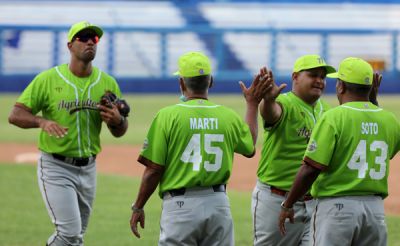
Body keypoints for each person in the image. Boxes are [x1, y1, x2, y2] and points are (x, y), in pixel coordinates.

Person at [129, 51, 269, 245]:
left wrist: (138, 206)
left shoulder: (167, 116)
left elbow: (154, 169)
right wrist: (252, 104)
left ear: (181, 83)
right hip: (218, 204)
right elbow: (249, 146)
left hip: (180, 207)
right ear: (210, 82)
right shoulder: (227, 116)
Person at [8, 21, 128, 246]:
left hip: (89, 168)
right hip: (56, 167)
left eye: (95, 39)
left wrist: (118, 120)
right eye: (83, 38)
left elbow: (120, 130)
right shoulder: (48, 79)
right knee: (69, 233)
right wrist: (40, 121)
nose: (90, 42)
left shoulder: (107, 83)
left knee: (76, 238)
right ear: (70, 46)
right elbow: (15, 114)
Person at [279, 57, 400, 245]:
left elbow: (311, 168)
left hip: (336, 209)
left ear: (341, 87)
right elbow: (387, 153)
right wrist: (373, 101)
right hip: (375, 211)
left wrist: (288, 204)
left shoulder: (333, 117)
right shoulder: (389, 119)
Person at [252, 54, 336, 245]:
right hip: (275, 199)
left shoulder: (327, 111)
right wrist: (268, 101)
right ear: (295, 77)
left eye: (322, 77)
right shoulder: (285, 103)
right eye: (313, 75)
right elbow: (271, 113)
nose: (319, 81)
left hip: (314, 202)